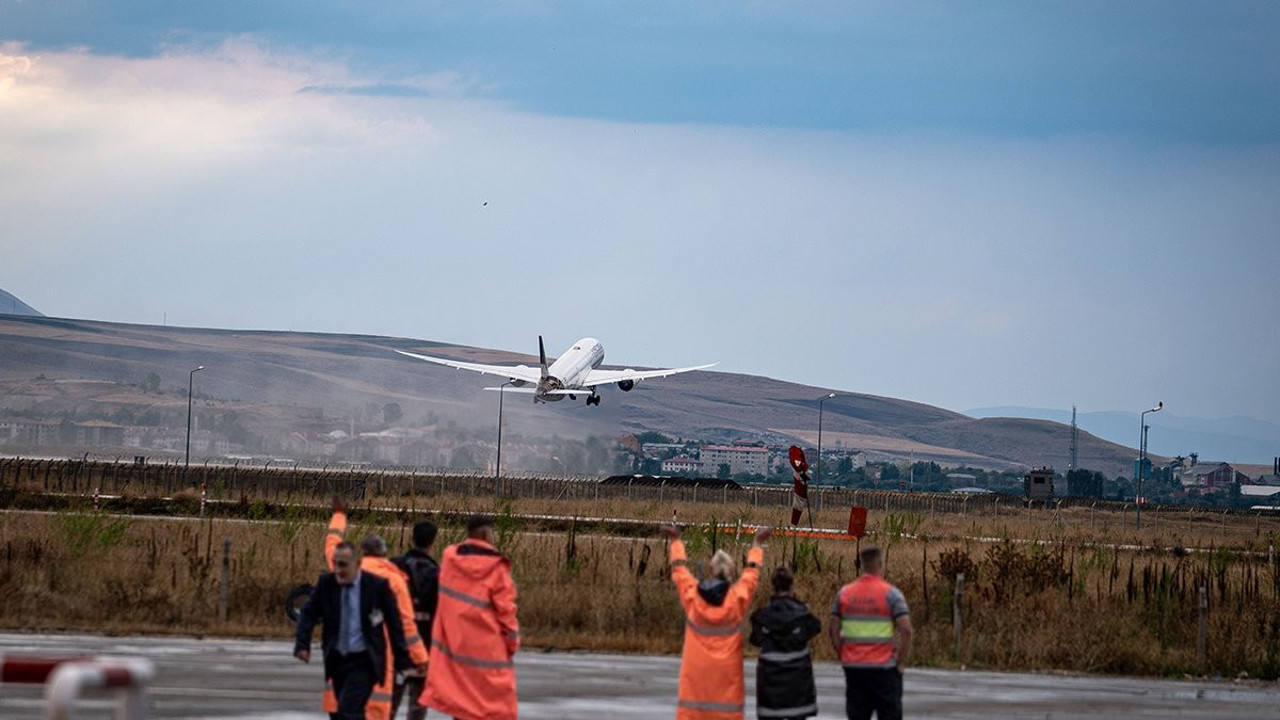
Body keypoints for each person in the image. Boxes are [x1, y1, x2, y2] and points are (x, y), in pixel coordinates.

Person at [326, 498, 429, 720]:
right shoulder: (394, 581)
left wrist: (339, 516)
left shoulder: (347, 570)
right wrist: (421, 659)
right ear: (383, 553)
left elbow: (332, 546)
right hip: (377, 661)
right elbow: (406, 626)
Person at [661, 522, 772, 720]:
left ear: (711, 569)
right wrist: (757, 544)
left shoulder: (693, 596)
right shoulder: (736, 599)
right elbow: (751, 575)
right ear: (731, 571)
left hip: (695, 692)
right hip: (726, 693)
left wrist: (676, 541)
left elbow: (679, 570)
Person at [294, 541, 413, 720]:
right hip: (337, 659)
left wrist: (403, 659)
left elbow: (394, 623)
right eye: (335, 564)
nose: (338, 570)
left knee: (348, 709)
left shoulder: (376, 586)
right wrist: (303, 645)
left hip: (365, 660)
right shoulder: (327, 584)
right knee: (344, 712)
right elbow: (308, 613)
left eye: (343, 565)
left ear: (357, 564)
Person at [421, 514, 519, 720]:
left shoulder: (451, 560)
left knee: (461, 703)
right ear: (485, 534)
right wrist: (512, 643)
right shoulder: (496, 569)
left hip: (455, 647)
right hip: (487, 653)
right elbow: (506, 612)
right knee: (489, 708)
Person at [829, 546, 913, 720]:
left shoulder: (845, 593)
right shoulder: (892, 594)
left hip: (854, 667)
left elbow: (833, 628)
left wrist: (841, 653)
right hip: (884, 668)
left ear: (862, 565)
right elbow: (906, 630)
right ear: (881, 564)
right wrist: (900, 660)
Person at [749, 567, 821, 720]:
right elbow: (815, 628)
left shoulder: (762, 617)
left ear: (772, 587)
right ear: (792, 586)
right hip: (798, 680)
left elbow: (756, 639)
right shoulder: (802, 614)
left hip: (771, 681)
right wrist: (799, 603)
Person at [391, 520, 439, 720]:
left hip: (395, 641)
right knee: (418, 703)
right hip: (423, 643)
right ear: (432, 542)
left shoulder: (394, 566)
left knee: (390, 699)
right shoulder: (435, 572)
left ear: (412, 538)